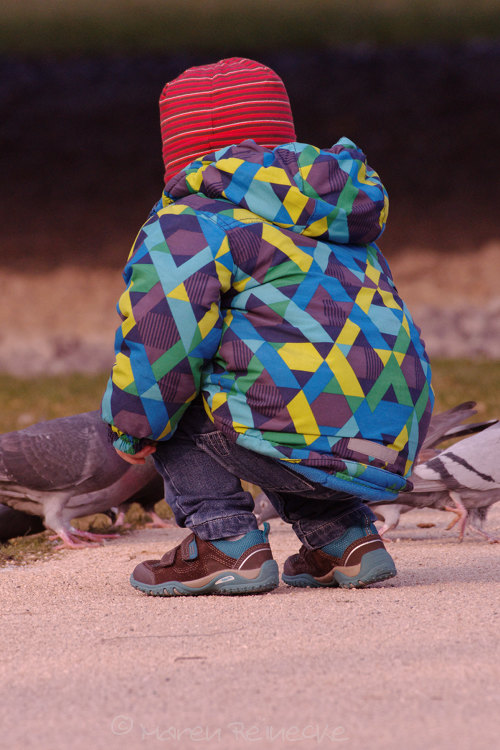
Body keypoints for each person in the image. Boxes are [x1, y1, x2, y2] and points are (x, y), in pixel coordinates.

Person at [101, 57, 433, 596]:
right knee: (288, 386)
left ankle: (223, 542)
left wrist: (132, 425)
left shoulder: (192, 220)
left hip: (293, 434)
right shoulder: (335, 217)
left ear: (179, 150)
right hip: (389, 436)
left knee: (173, 395)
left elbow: (163, 335)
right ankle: (344, 540)